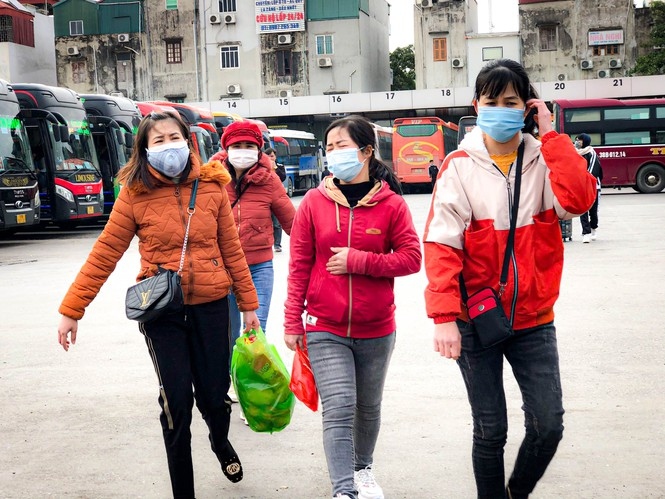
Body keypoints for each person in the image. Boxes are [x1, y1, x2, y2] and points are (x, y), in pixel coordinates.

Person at [56, 110, 260, 499]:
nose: (169, 146)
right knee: (177, 400)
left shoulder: (214, 186)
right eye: (158, 140)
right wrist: (71, 310)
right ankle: (183, 490)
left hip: (213, 305)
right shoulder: (134, 194)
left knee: (215, 394)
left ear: (188, 140)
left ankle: (220, 441)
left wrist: (249, 306)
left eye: (174, 137)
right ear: (145, 149)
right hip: (162, 309)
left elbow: (232, 250)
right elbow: (105, 253)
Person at [423, 59, 597, 499]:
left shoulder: (546, 157)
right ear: (476, 105)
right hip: (475, 317)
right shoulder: (458, 166)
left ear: (527, 108)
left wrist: (552, 135)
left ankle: (515, 493)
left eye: (511, 101)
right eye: (491, 100)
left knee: (547, 425)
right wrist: (444, 316)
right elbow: (442, 246)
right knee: (491, 429)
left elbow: (577, 201)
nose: (500, 108)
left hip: (533, 318)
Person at [284, 115, 421, 499]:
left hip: (377, 328)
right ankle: (344, 490)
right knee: (340, 406)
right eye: (328, 147)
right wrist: (292, 319)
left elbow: (412, 258)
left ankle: (363, 469)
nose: (333, 154)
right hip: (324, 325)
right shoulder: (313, 202)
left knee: (368, 407)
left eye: (341, 146)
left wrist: (359, 261)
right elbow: (298, 265)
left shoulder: (391, 205)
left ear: (365, 151)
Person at [212, 120, 295, 347]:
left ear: (258, 149)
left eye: (249, 146)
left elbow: (293, 222)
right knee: (226, 333)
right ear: (226, 149)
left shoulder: (269, 180)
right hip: (222, 268)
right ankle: (228, 378)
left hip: (259, 267)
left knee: (256, 329)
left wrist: (317, 250)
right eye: (237, 145)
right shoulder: (211, 179)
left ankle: (253, 381)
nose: (243, 151)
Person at [575, 133, 603, 243]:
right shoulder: (575, 153)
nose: (577, 142)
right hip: (580, 186)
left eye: (580, 140)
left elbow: (593, 170)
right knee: (583, 210)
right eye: (576, 140)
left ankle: (593, 228)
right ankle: (585, 233)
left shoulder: (591, 153)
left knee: (593, 210)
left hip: (593, 185)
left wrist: (586, 180)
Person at [265, 147, 287, 252]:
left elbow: (283, 177)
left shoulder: (280, 167)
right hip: (264, 197)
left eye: (272, 156)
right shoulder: (261, 168)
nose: (270, 158)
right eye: (268, 156)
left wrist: (275, 168)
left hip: (276, 197)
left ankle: (277, 244)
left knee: (277, 223)